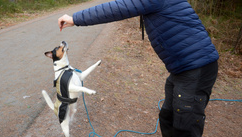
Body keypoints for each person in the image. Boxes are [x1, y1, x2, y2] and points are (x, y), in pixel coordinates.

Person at [57, 0, 219, 137]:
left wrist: (75, 18)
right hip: (182, 69)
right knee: (167, 117)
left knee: (185, 125)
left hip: (197, 68)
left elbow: (116, 9)